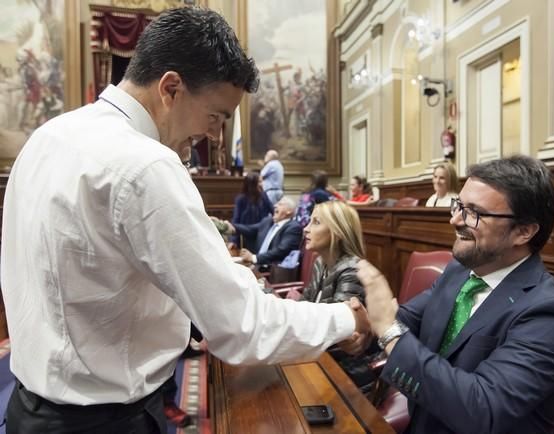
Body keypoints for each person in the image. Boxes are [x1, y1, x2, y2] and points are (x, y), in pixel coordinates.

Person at [1, 8, 367, 434]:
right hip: (106, 420)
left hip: (30, 407)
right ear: (171, 88)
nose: (214, 136)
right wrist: (345, 318)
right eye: (215, 116)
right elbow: (241, 326)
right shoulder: (146, 165)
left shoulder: (47, 136)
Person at [356, 155, 554, 434]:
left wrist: (389, 331)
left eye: (473, 212)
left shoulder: (551, 313)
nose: (455, 219)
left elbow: (482, 409)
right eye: (459, 206)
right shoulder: (459, 272)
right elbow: (405, 319)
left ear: (523, 232)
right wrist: (360, 329)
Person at [288, 201, 380, 392]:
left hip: (346, 374)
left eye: (316, 222)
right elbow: (304, 309)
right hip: (318, 361)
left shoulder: (353, 270)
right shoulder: (320, 263)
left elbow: (337, 330)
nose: (306, 228)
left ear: (337, 233)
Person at [228, 197, 302, 269]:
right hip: (255, 265)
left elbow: (282, 250)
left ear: (289, 211)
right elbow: (249, 229)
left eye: (280, 204)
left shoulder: (293, 227)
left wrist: (254, 257)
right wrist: (230, 226)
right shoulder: (268, 221)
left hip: (272, 271)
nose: (275, 205)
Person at [229, 171, 273, 249]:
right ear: (252, 184)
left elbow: (273, 212)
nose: (262, 184)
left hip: (261, 232)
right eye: (259, 182)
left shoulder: (264, 196)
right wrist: (233, 241)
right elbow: (235, 220)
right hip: (246, 235)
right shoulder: (241, 199)